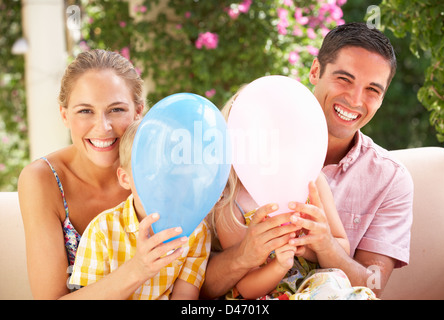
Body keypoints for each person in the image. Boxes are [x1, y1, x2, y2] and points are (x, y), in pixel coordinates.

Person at [201, 22, 413, 299]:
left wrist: (327, 247)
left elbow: (372, 286)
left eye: (373, 89)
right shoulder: (227, 178)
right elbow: (196, 286)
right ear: (315, 71)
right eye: (344, 79)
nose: (354, 99)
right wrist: (250, 256)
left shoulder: (390, 179)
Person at [18, 49, 182, 299]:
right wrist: (137, 270)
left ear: (138, 112)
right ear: (65, 115)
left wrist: (243, 256)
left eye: (116, 110)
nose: (103, 127)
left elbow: (195, 270)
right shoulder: (42, 180)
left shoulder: (162, 173)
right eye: (85, 111)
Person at [69, 120, 211, 299]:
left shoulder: (196, 230)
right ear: (125, 178)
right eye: (150, 173)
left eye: (174, 172)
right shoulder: (101, 231)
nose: (163, 184)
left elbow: (185, 296)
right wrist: (138, 269)